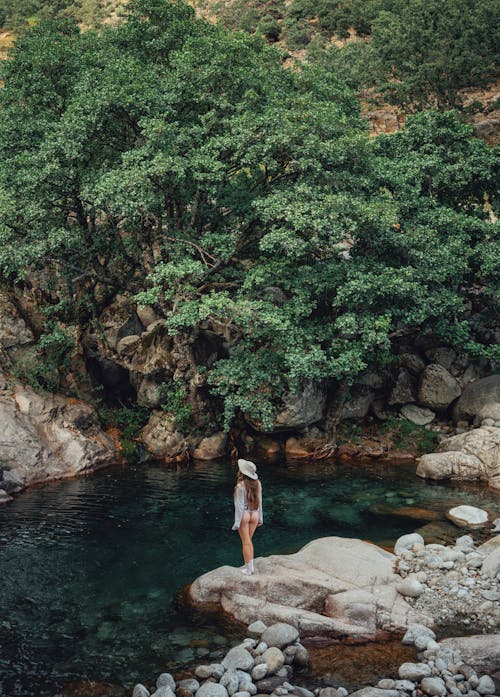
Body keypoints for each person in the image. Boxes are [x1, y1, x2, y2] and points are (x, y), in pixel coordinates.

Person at [232, 458, 263, 575]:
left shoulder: (240, 486)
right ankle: (250, 566)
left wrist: (236, 523)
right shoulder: (258, 483)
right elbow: (260, 502)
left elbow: (239, 507)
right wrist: (260, 518)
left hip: (244, 515)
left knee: (246, 542)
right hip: (255, 514)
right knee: (249, 541)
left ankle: (249, 569)